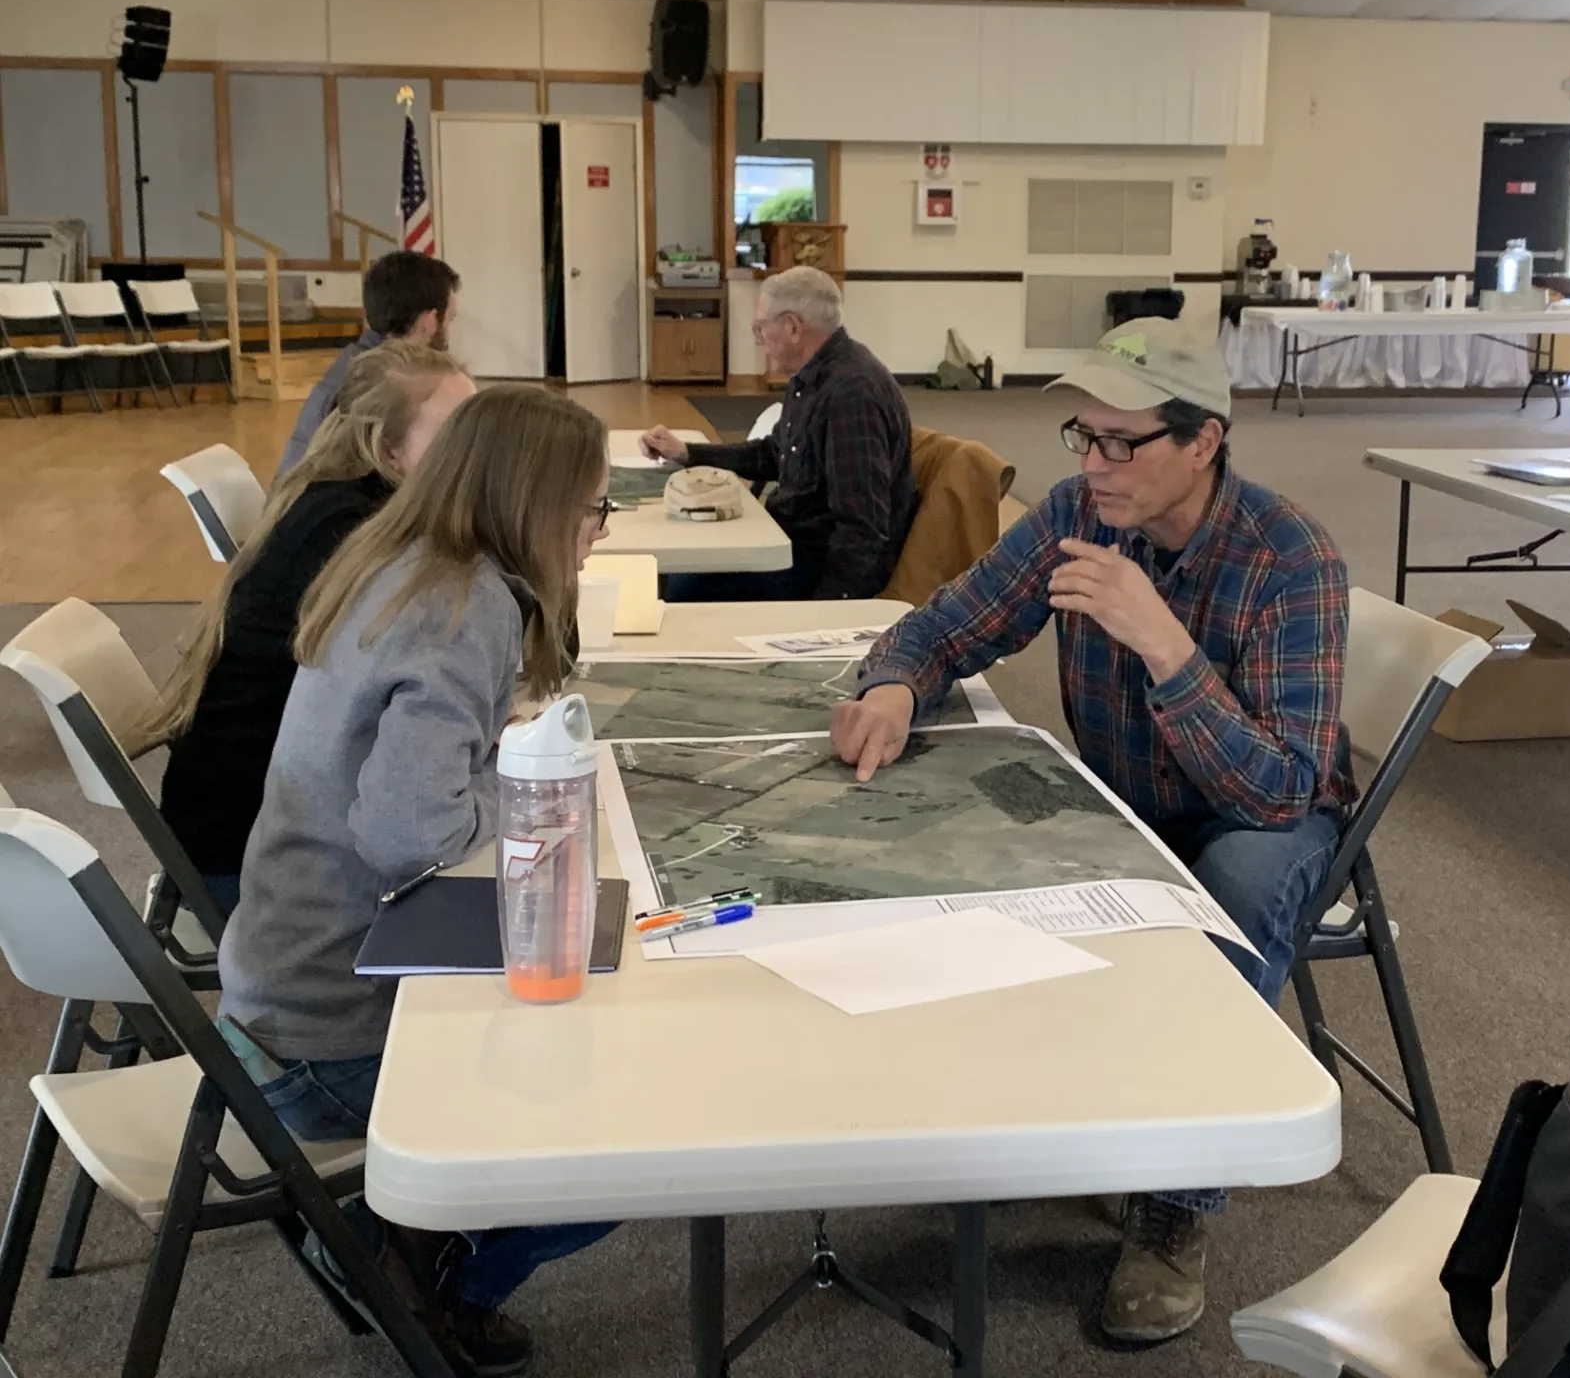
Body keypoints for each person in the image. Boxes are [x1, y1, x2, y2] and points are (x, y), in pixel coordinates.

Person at [828, 318, 1356, 1347]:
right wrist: (895, 683)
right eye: (1084, 436)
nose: (1094, 465)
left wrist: (1161, 640)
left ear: (1203, 442)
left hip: (1261, 816)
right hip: (1124, 795)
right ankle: (1050, 1113)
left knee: (1235, 892)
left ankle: (1177, 1207)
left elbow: (1280, 790)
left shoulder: (1290, 559)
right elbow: (946, 624)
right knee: (947, 813)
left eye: (1124, 443)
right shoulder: (1081, 514)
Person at [217, 387, 615, 1376]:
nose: (596, 536)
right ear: (536, 506)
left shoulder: (409, 563)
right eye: (593, 511)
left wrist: (487, 770)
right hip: (326, 1040)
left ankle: (415, 1248)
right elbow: (408, 834)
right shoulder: (462, 607)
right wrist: (519, 796)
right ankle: (420, 1261)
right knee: (623, 1124)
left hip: (275, 996)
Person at [140, 341, 476, 916]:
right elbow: (428, 673)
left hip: (268, 817)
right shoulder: (345, 535)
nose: (477, 450)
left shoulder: (355, 503)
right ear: (389, 449)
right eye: (458, 435)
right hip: (256, 858)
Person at [638, 265, 913, 601]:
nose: (759, 341)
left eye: (760, 328)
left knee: (684, 586)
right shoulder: (813, 377)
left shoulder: (851, 393)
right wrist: (687, 452)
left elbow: (863, 527)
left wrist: (829, 613)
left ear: (792, 327)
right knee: (678, 566)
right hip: (787, 542)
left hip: (813, 566)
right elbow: (773, 454)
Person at [277, 250, 461, 476]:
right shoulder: (378, 383)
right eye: (450, 319)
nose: (451, 331)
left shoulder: (358, 361)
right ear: (430, 321)